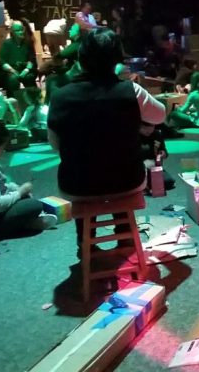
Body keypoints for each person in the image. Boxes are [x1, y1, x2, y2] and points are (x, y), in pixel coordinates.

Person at [48, 28, 165, 249]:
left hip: (76, 184)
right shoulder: (132, 91)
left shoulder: (60, 96)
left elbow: (55, 144)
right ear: (117, 60)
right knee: (120, 168)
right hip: (127, 180)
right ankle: (125, 235)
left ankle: (85, 242)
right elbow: (160, 115)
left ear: (81, 58)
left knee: (86, 177)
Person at [0, 20, 37, 97]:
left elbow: (32, 59)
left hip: (25, 69)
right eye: (18, 30)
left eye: (22, 29)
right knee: (12, 79)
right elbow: (2, 60)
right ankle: (14, 101)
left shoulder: (28, 43)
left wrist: (26, 70)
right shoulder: (7, 43)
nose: (21, 32)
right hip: (11, 70)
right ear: (12, 32)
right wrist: (13, 71)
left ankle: (33, 100)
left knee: (29, 77)